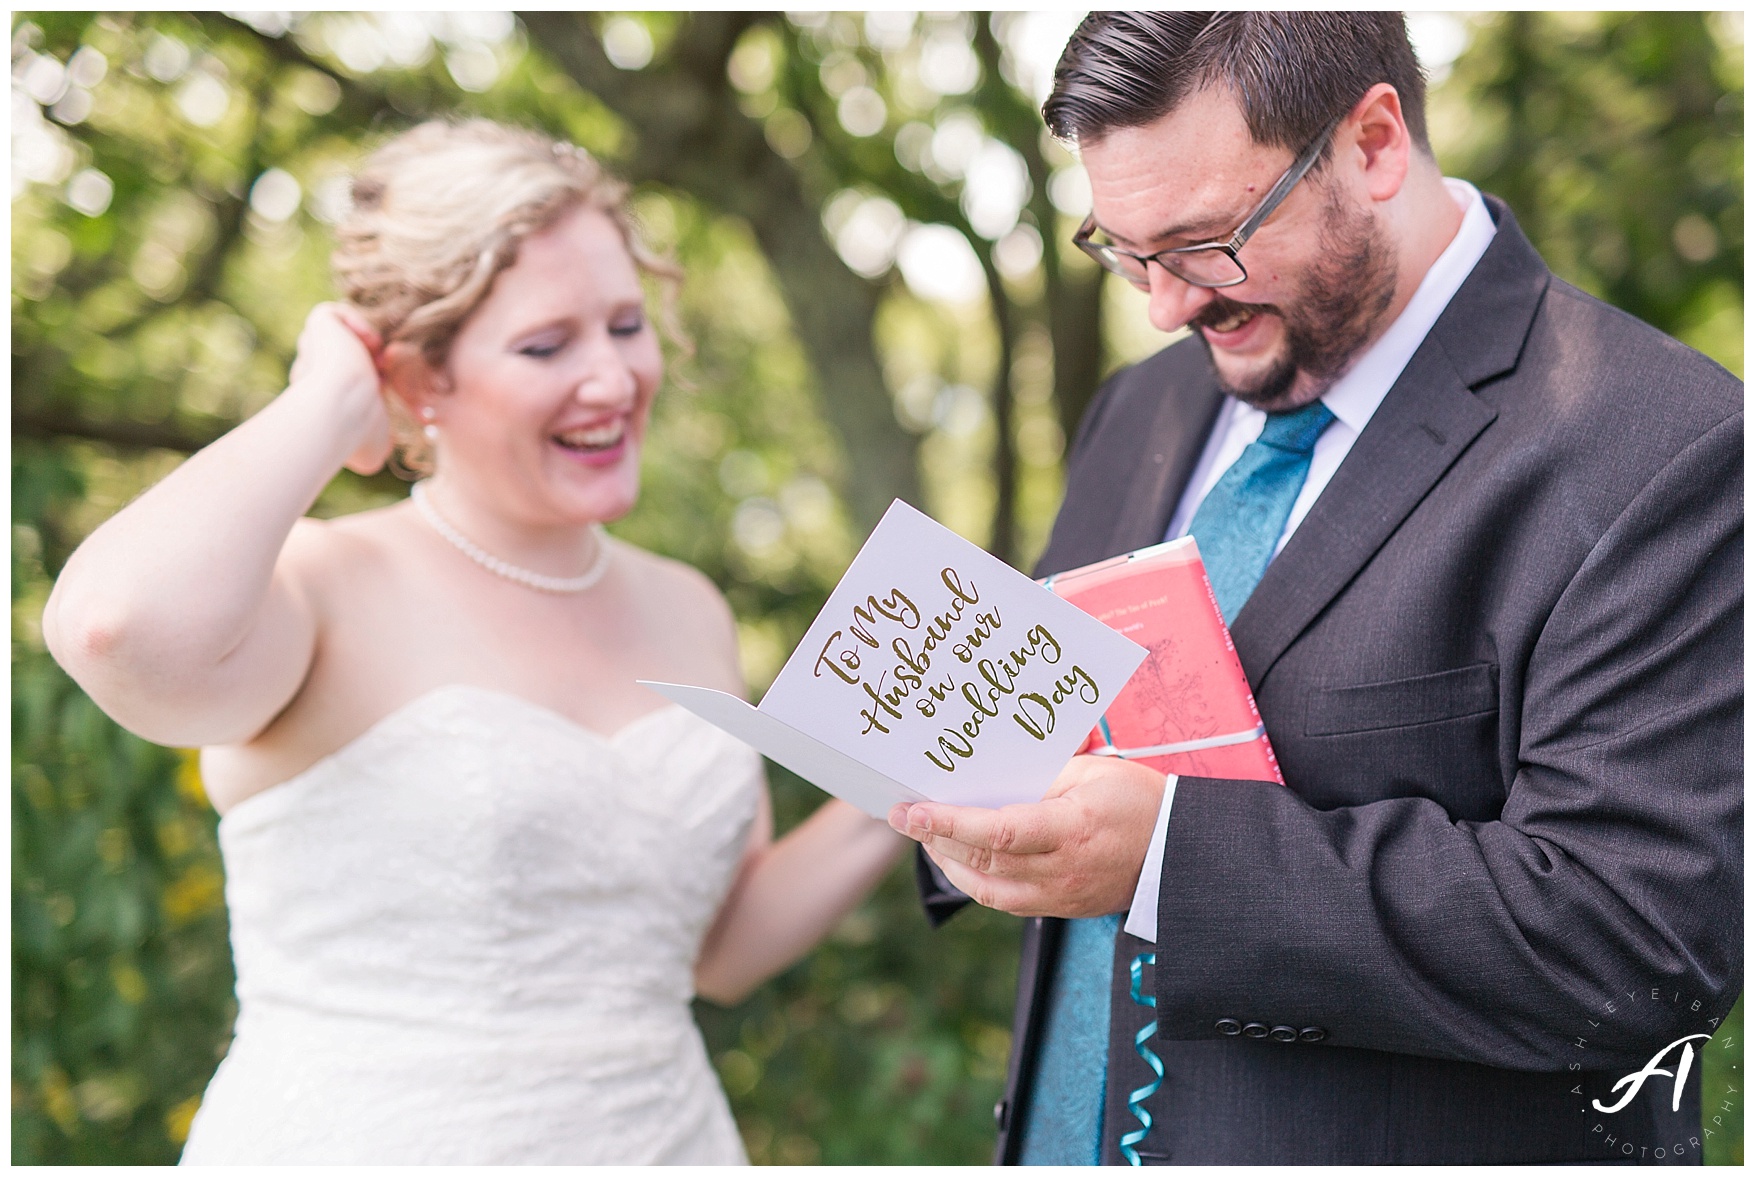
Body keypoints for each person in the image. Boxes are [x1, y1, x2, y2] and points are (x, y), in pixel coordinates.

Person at [895, 12, 1741, 1165]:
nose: (1165, 306)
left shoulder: (1662, 443)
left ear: (1375, 144)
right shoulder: (1140, 411)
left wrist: (1167, 860)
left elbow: (1632, 938)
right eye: (1127, 250)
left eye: (1206, 243)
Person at [42, 119, 902, 1165]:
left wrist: (903, 792)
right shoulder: (323, 586)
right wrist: (325, 404)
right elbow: (113, 624)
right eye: (548, 345)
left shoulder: (690, 606)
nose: (614, 378)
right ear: (415, 379)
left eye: (627, 325)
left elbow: (714, 949)